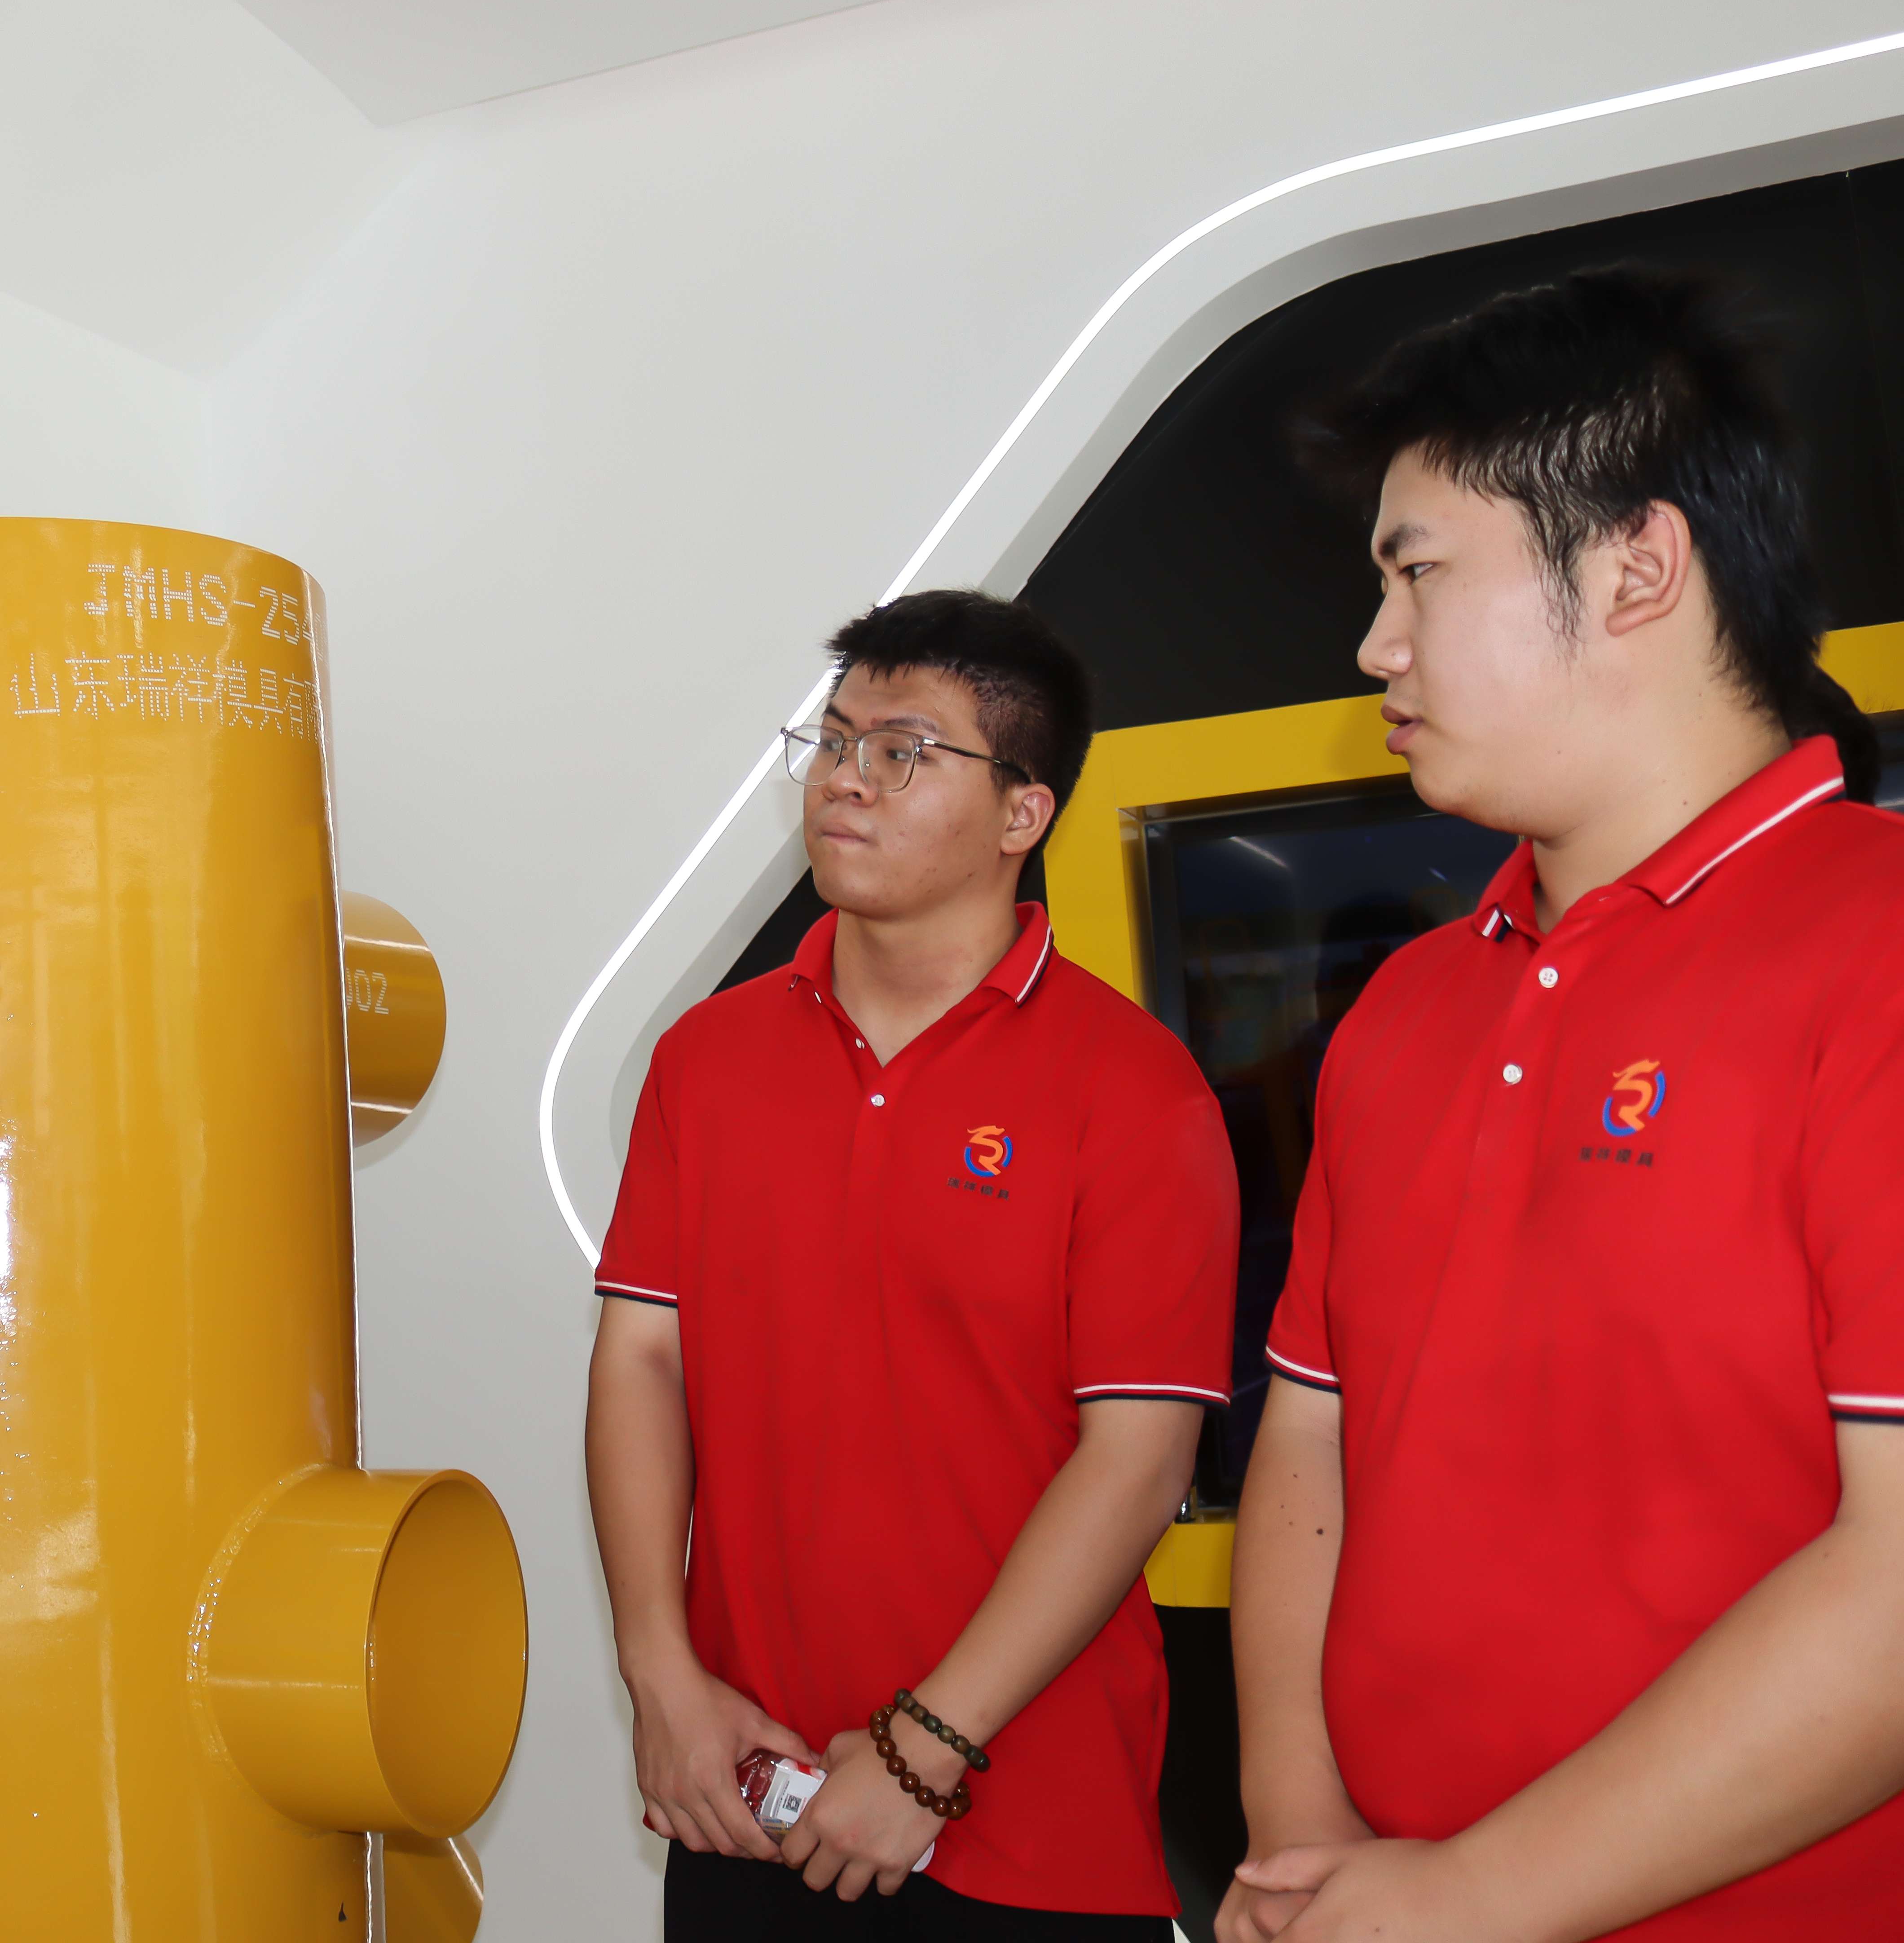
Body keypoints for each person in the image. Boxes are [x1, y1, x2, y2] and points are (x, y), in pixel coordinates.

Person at [1218, 268, 1904, 1943]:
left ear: (1636, 567)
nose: (1376, 644)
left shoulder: (1876, 948)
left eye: (1420, 573)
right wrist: (1305, 1849)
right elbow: (1311, 1434)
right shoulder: (1406, 1009)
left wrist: (1468, 1901)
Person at [587, 590, 1239, 1939]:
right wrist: (661, 1677)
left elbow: (1138, 1459)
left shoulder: (1135, 1090)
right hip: (744, 1788)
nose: (846, 780)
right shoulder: (706, 1060)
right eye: (833, 742)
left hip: (1027, 1826)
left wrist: (924, 1749)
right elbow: (644, 1359)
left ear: (1022, 814)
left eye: (904, 752)